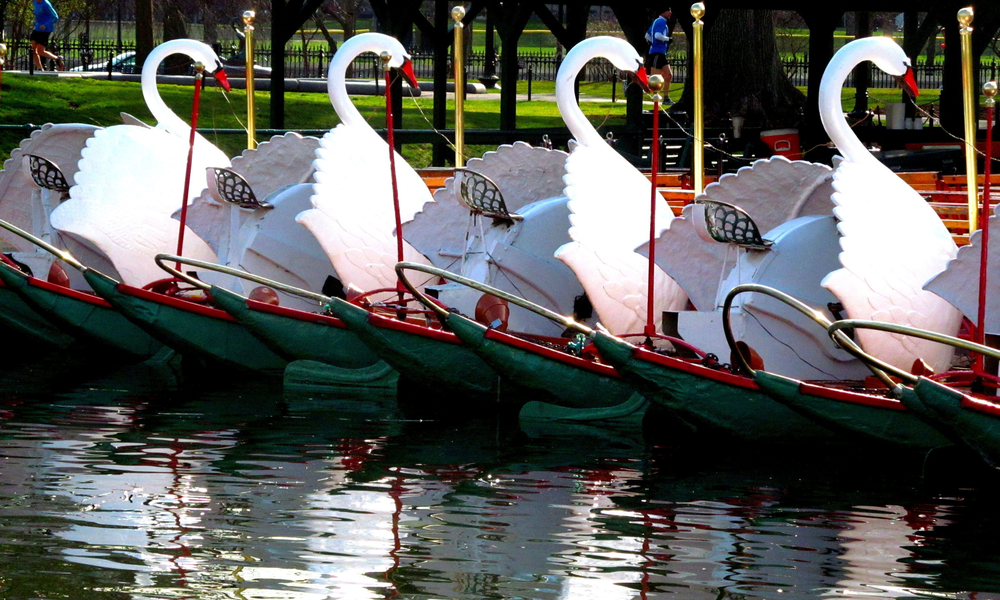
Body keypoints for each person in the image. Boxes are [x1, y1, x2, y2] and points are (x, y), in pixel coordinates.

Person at [645, 8, 673, 103]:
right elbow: (657, 35)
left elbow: (647, 35)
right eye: (668, 10)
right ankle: (656, 97)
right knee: (655, 77)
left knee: (668, 75)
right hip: (657, 53)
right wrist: (667, 39)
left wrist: (654, 43)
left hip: (660, 53)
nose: (670, 13)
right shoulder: (661, 21)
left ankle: (666, 98)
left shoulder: (656, 21)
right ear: (663, 11)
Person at [31, 0, 63, 71]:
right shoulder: (35, 2)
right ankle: (40, 68)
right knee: (33, 49)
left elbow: (55, 17)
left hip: (45, 30)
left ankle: (57, 59)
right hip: (37, 28)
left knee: (40, 51)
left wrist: (46, 25)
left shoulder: (46, 4)